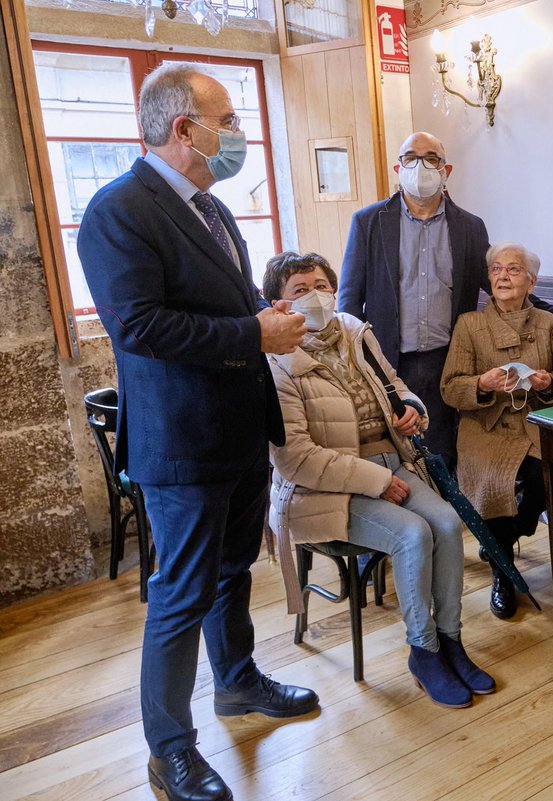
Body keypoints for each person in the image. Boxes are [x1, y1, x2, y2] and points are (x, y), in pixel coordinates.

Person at [77, 63, 317, 801]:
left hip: (240, 429)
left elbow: (228, 300)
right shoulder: (118, 211)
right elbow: (140, 326)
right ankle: (170, 750)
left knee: (232, 570)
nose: (237, 133)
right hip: (182, 442)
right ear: (184, 128)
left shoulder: (210, 207)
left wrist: (268, 321)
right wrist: (254, 329)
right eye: (228, 119)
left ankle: (237, 680)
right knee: (179, 593)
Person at [263, 252, 495, 710]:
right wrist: (374, 480)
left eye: (322, 284)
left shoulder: (353, 331)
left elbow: (397, 386)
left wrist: (413, 410)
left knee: (447, 525)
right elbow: (296, 459)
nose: (316, 295)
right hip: (324, 488)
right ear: (278, 305)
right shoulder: (277, 362)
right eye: (300, 290)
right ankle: (423, 651)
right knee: (412, 534)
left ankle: (451, 640)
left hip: (393, 460)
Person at [337, 132, 553, 474]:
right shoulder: (368, 222)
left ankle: (445, 521)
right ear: (397, 167)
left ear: (445, 169)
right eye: (410, 158)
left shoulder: (469, 227)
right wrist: (355, 361)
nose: (420, 166)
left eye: (430, 158)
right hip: (385, 360)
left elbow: (498, 285)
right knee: (390, 456)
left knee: (441, 454)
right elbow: (348, 300)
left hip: (445, 362)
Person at [439, 242, 553, 618]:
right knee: (491, 479)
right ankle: (503, 573)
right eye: (496, 269)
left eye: (513, 270)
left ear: (532, 281)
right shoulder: (470, 325)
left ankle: (505, 538)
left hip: (533, 424)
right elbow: (450, 387)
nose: (503, 276)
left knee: (552, 471)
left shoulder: (549, 325)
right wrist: (482, 384)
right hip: (487, 426)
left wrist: (548, 384)